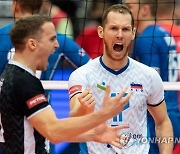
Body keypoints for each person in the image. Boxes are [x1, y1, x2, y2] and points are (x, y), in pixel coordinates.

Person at [0, 14, 132, 153]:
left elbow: (49, 130)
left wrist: (94, 134)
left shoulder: (11, 75)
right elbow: (53, 131)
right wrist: (105, 113)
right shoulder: (24, 82)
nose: (57, 45)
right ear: (32, 44)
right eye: (51, 39)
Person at [68, 4, 173, 154]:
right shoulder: (82, 75)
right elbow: (72, 122)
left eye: (125, 29)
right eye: (113, 28)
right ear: (101, 32)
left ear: (133, 33)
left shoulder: (148, 75)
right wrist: (82, 108)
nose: (119, 35)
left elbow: (163, 122)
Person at [124, 0, 180, 153]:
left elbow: (150, 83)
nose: (124, 11)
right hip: (172, 113)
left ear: (145, 10)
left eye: (129, 7)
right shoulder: (162, 33)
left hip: (156, 119)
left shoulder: (146, 39)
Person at [0, 0, 90, 79]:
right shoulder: (60, 40)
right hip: (41, 96)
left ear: (16, 6)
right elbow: (93, 69)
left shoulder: (2, 34)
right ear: (41, 5)